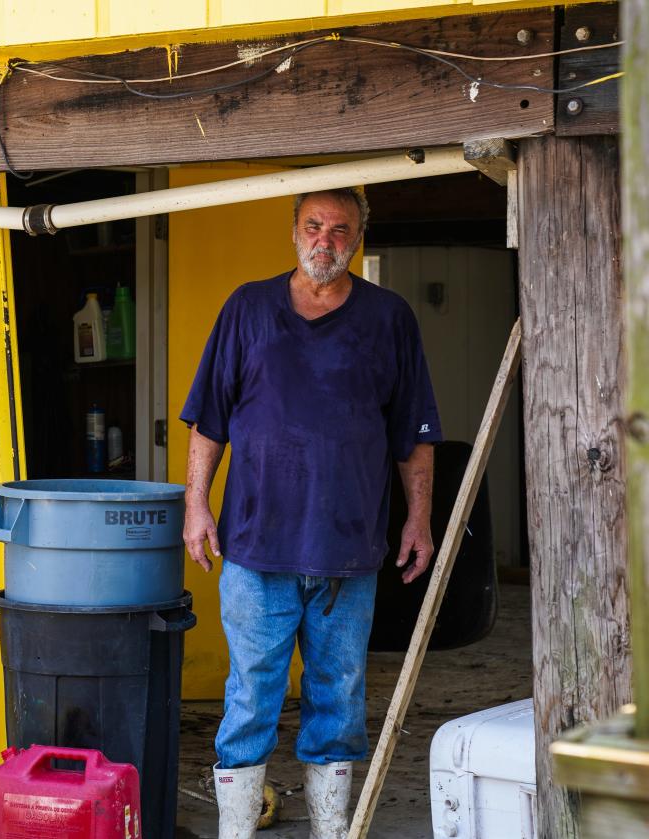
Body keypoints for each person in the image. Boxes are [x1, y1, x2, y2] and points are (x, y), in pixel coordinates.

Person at [180, 188, 441, 839]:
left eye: (340, 229)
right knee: (249, 700)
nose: (325, 239)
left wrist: (419, 519)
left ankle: (332, 831)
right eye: (314, 225)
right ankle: (236, 832)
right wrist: (196, 505)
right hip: (255, 547)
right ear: (294, 230)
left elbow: (414, 435)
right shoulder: (247, 308)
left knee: (339, 702)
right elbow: (209, 419)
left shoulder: (389, 318)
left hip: (348, 554)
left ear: (358, 238)